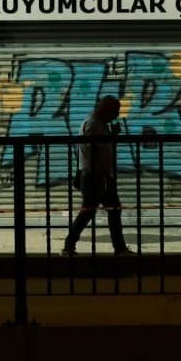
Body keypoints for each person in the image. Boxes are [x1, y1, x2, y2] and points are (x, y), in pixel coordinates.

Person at [62, 95, 132, 256]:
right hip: (96, 176)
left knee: (111, 210)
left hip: (100, 175)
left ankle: (119, 248)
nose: (117, 115)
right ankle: (68, 246)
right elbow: (94, 150)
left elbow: (100, 147)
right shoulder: (93, 125)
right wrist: (105, 175)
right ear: (106, 110)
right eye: (115, 111)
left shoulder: (99, 124)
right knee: (90, 211)